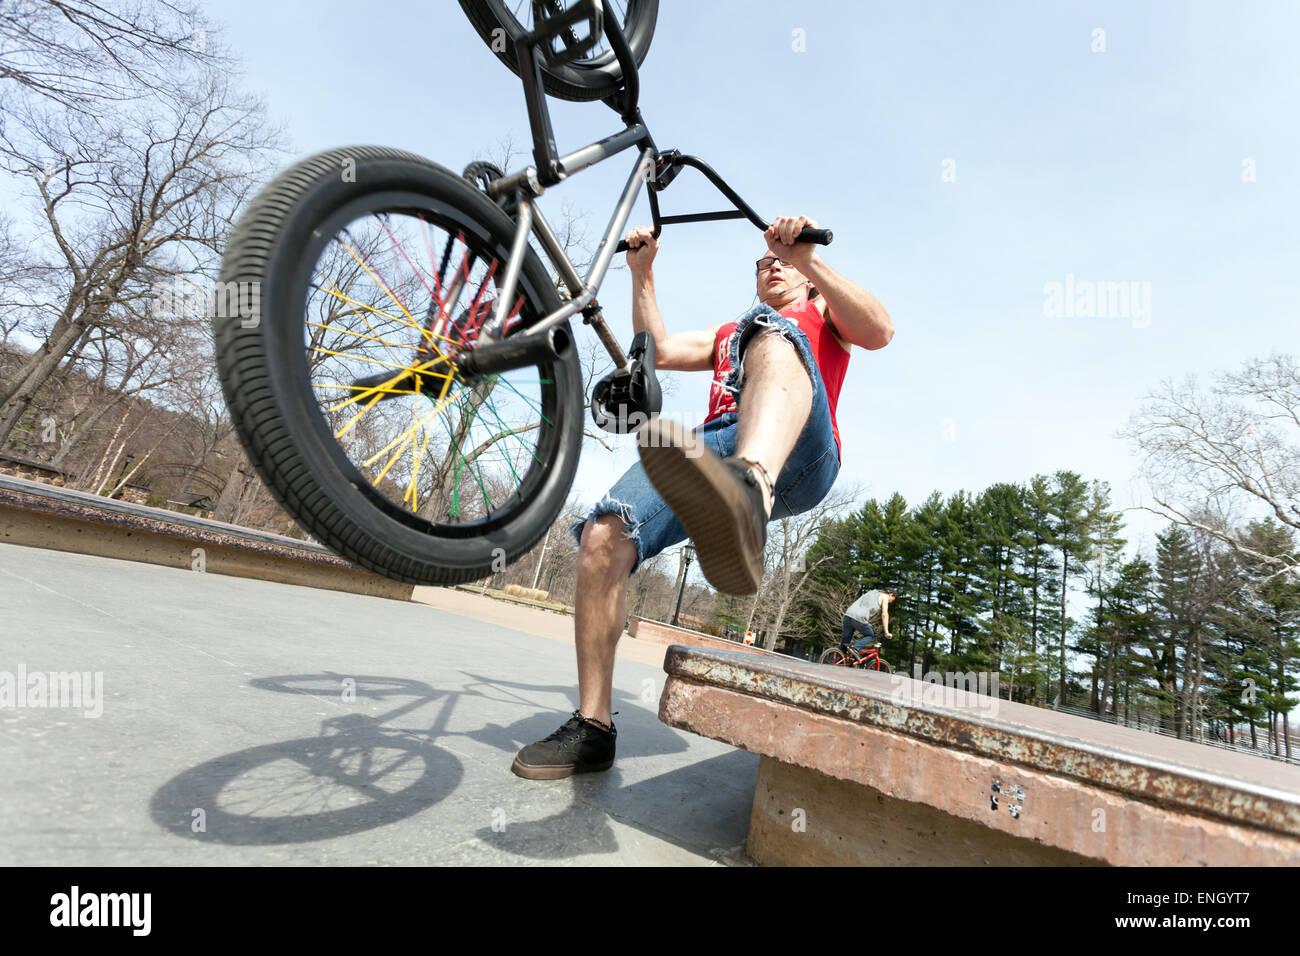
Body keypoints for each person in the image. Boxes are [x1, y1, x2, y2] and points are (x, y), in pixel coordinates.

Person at [511, 215, 894, 779]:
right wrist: (641, 272)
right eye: (764, 261)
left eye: (782, 261)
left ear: (809, 277)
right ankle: (593, 727)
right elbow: (657, 348)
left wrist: (808, 257)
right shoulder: (728, 335)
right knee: (602, 536)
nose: (771, 264)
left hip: (801, 451)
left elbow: (880, 330)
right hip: (717, 446)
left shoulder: (822, 315)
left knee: (770, 330)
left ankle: (751, 488)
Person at [839, 587, 896, 656]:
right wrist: (886, 632)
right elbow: (884, 614)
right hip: (859, 618)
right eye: (892, 600)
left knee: (845, 642)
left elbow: (865, 605)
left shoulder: (873, 591)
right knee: (870, 635)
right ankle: (855, 648)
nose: (891, 602)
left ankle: (839, 660)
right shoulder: (885, 596)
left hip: (848, 614)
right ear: (891, 594)